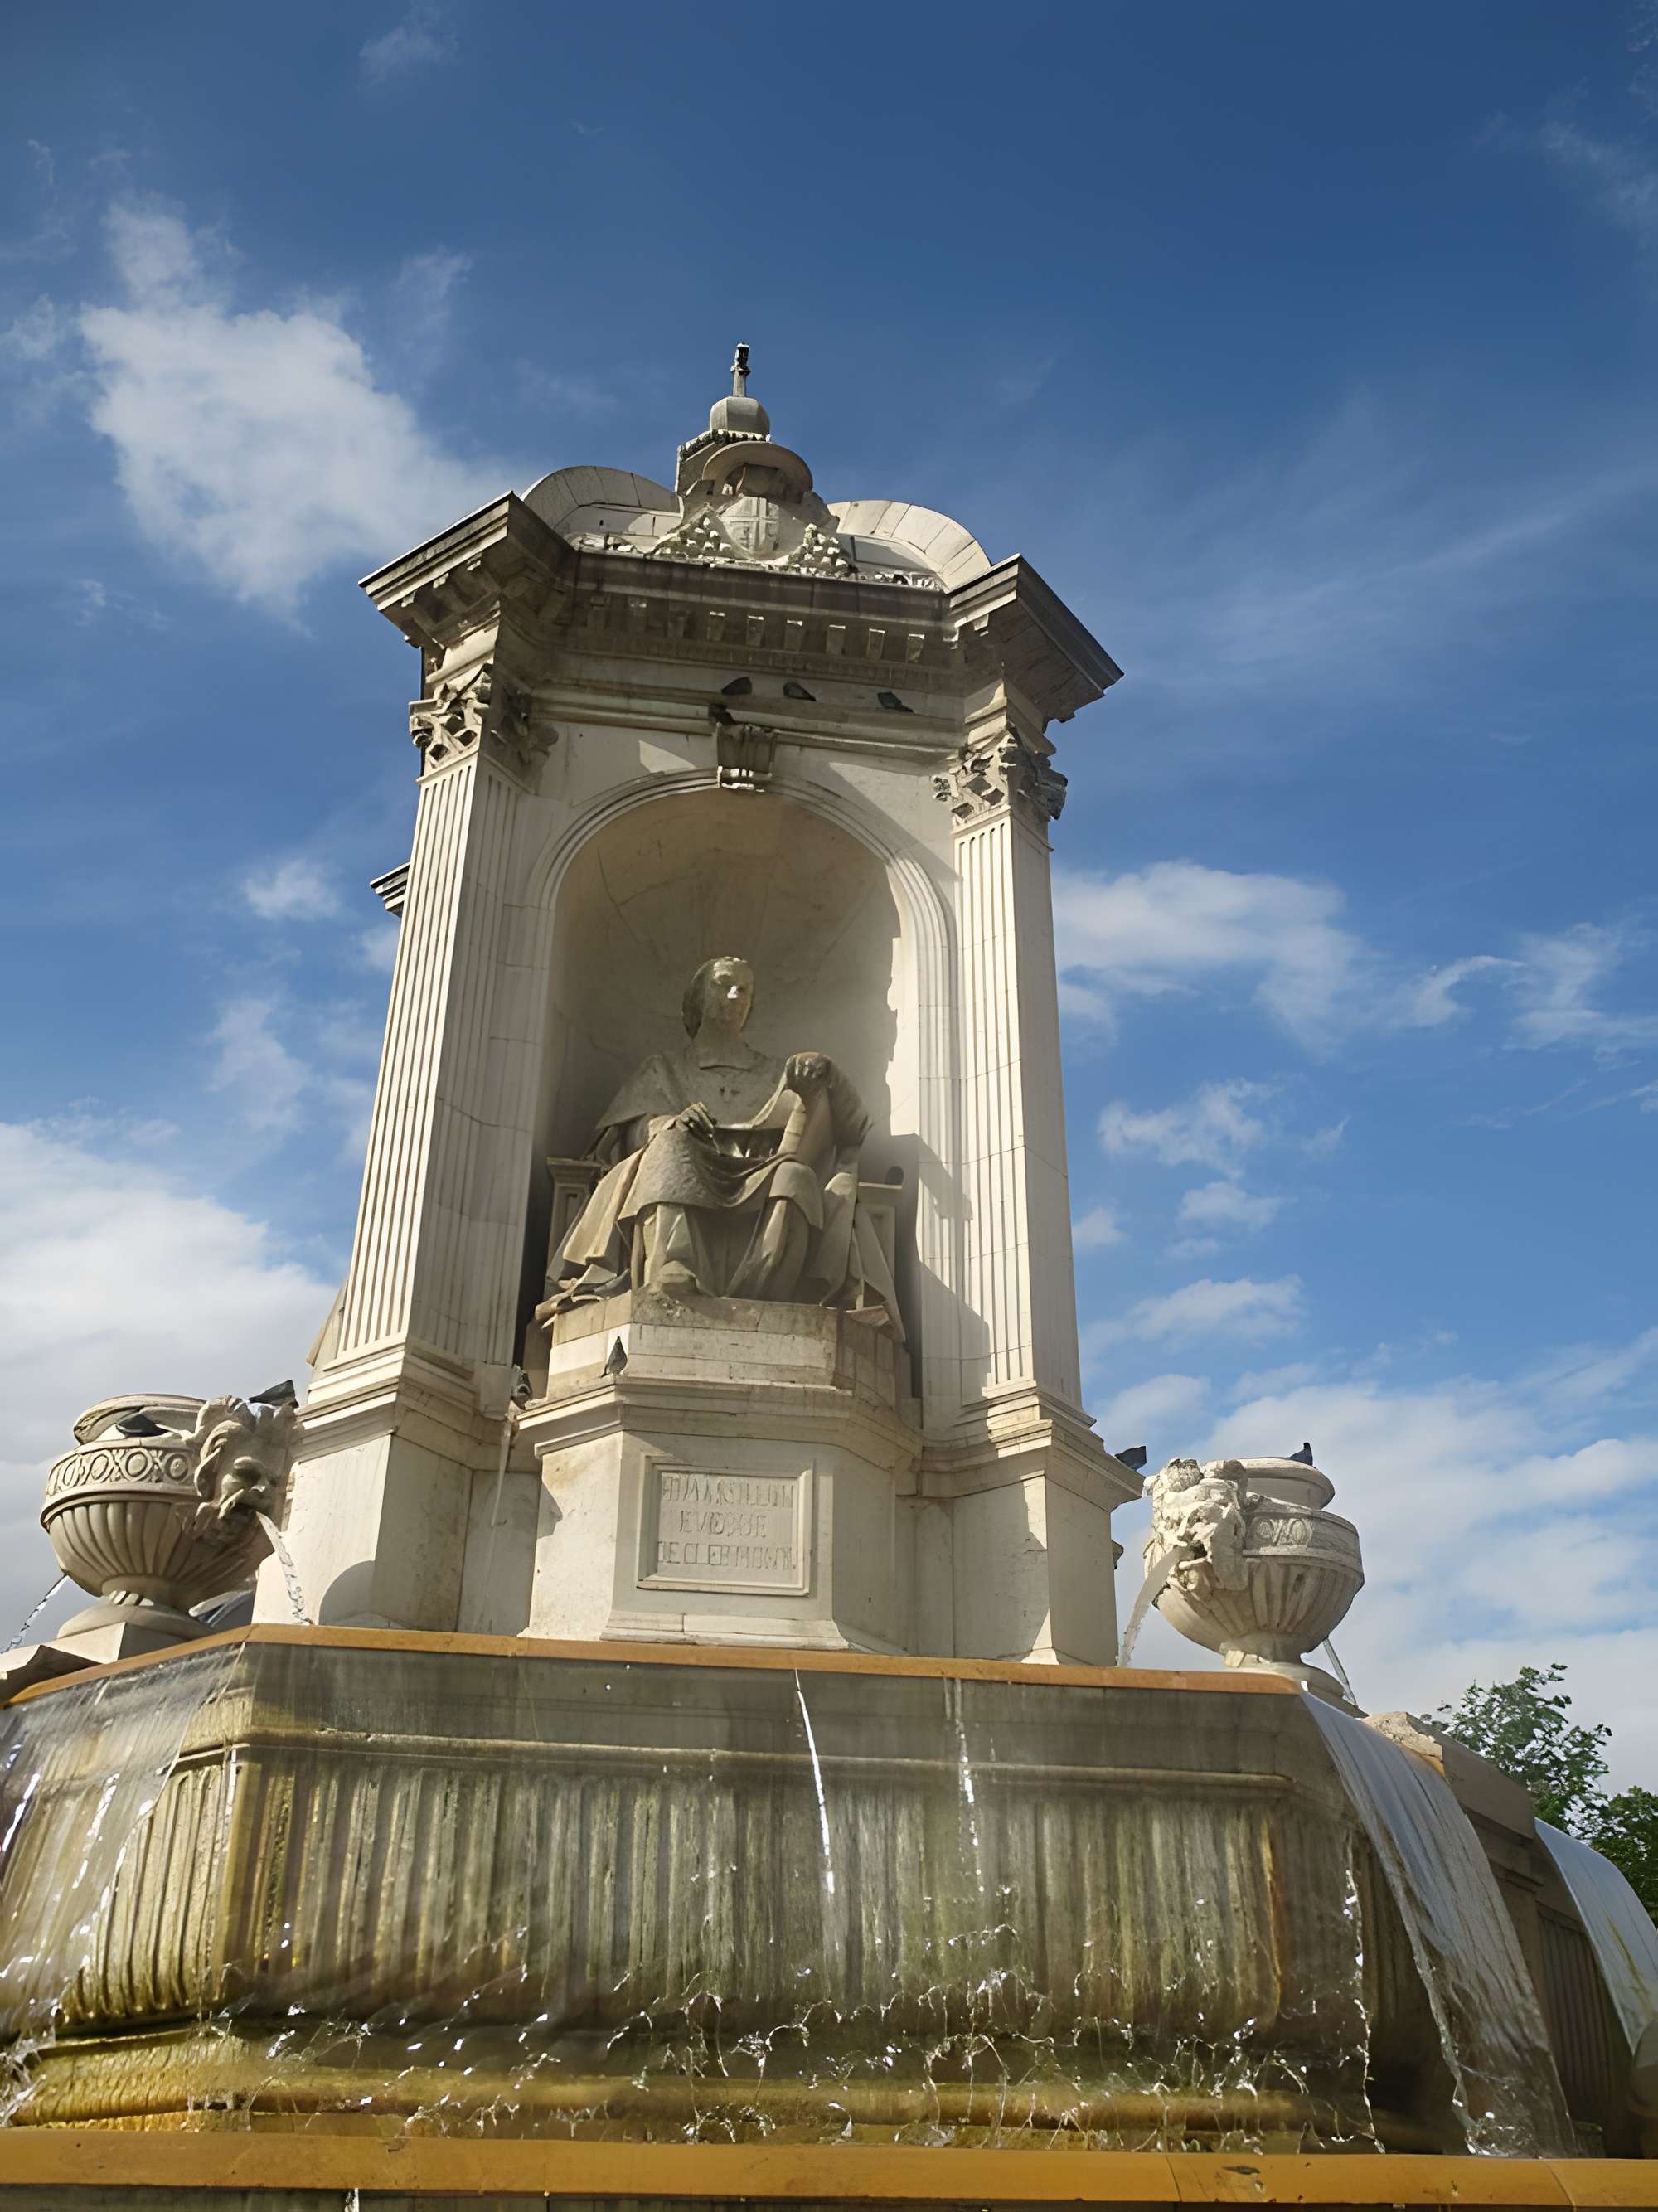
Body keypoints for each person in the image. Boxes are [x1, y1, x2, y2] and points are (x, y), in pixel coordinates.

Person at [543, 955, 901, 1333]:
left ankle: (773, 1298)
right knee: (668, 1149)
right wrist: (671, 1123)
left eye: (744, 989)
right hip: (690, 1162)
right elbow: (628, 1137)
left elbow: (853, 1128)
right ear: (697, 998)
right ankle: (674, 1266)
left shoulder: (776, 1072)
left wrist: (827, 1077)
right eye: (723, 984)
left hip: (762, 1172)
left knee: (796, 1178)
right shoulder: (663, 1069)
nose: (735, 995)